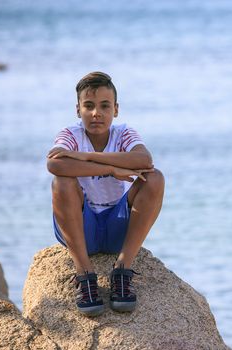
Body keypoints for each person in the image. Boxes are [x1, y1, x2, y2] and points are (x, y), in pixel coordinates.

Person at [47, 71, 165, 316]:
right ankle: (85, 275)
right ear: (78, 110)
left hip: (116, 227)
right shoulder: (70, 134)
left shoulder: (124, 133)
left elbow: (144, 159)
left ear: (116, 109)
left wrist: (86, 156)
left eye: (104, 106)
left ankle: (122, 270)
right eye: (88, 106)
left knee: (155, 179)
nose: (96, 113)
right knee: (62, 182)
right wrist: (112, 168)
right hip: (82, 228)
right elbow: (55, 164)